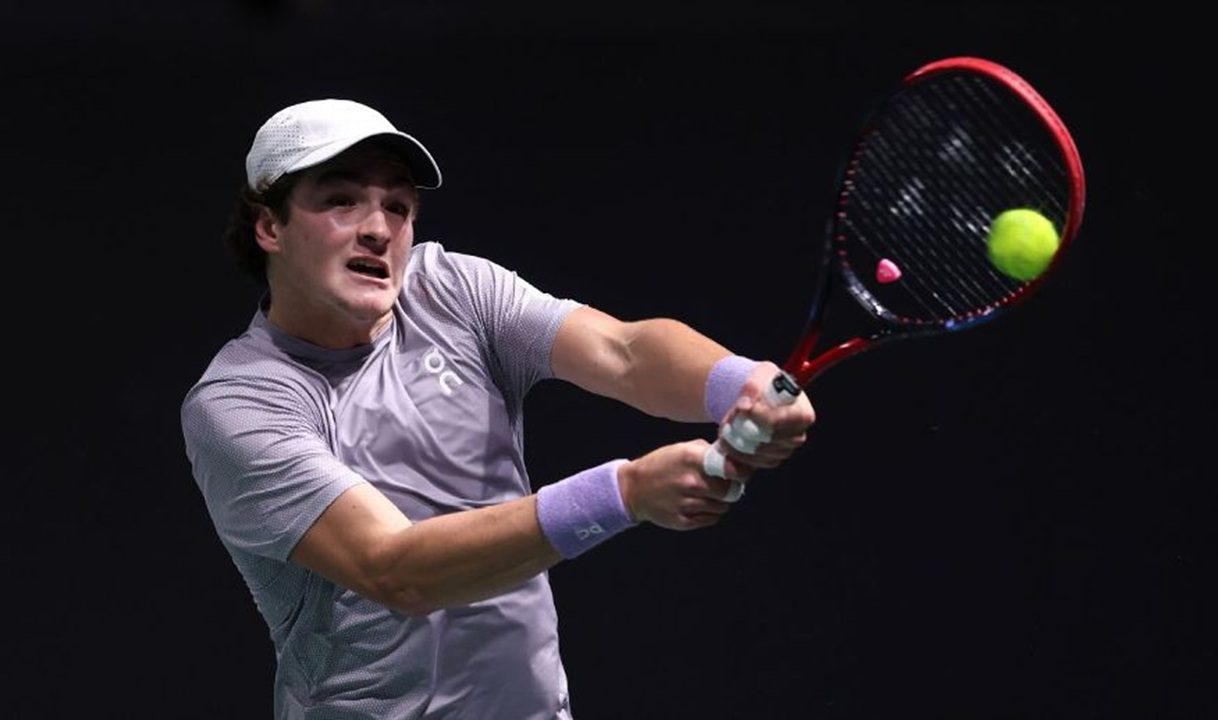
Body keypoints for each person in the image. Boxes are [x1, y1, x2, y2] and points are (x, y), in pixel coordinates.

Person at [180, 98, 816, 720]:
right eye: (341, 200)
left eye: (398, 207)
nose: (379, 227)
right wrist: (623, 493)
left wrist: (739, 382)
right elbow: (397, 571)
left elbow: (624, 350)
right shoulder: (241, 401)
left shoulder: (451, 290)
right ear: (270, 227)